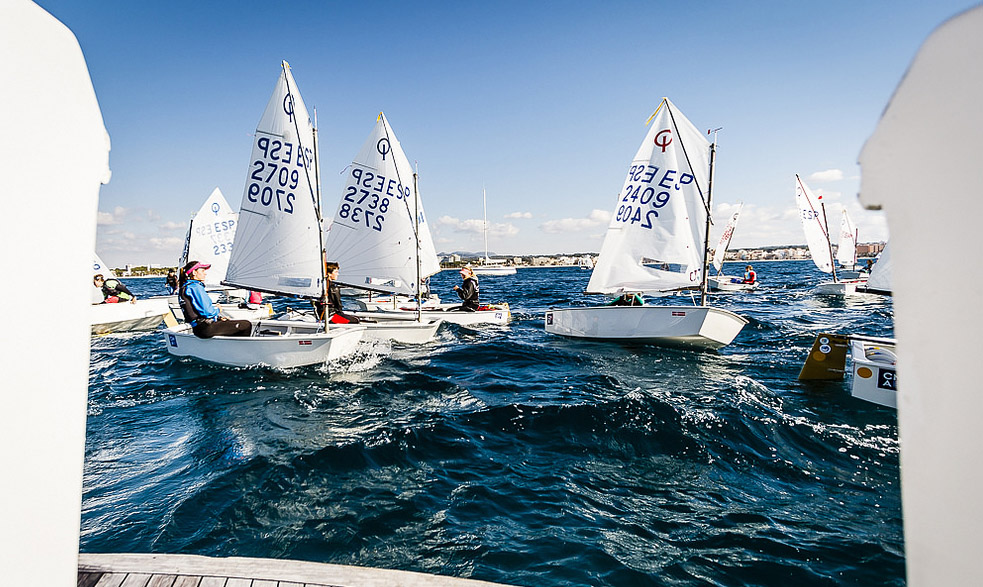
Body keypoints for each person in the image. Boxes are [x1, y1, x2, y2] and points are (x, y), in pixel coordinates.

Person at [178, 260, 252, 338]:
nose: (205, 273)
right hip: (205, 328)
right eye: (202, 271)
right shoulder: (195, 287)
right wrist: (218, 309)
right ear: (194, 272)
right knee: (246, 325)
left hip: (199, 327)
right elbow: (207, 312)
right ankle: (239, 346)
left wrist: (218, 318)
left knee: (230, 323)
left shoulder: (186, 287)